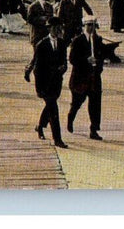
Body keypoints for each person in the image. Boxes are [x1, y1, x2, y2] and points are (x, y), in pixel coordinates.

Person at [67, 15, 107, 140]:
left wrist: (98, 66)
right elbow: (72, 59)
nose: (91, 28)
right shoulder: (78, 40)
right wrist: (86, 60)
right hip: (80, 78)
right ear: (84, 26)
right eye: (88, 25)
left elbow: (102, 56)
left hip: (94, 78)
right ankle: (70, 118)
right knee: (77, 103)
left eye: (93, 25)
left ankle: (94, 129)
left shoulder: (98, 40)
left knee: (95, 105)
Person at [32, 17, 69, 148]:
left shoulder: (62, 43)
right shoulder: (41, 44)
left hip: (56, 83)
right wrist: (39, 88)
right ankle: (57, 139)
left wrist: (63, 69)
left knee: (50, 107)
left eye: (59, 27)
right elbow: (37, 68)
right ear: (50, 29)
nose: (57, 30)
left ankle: (40, 126)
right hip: (45, 84)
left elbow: (65, 62)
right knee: (54, 110)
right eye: (55, 28)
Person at [24, 0, 55, 81]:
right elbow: (29, 19)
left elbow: (51, 19)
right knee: (37, 55)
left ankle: (41, 73)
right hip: (36, 35)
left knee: (46, 56)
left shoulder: (49, 6)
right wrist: (40, 19)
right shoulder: (33, 6)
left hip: (46, 35)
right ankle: (30, 70)